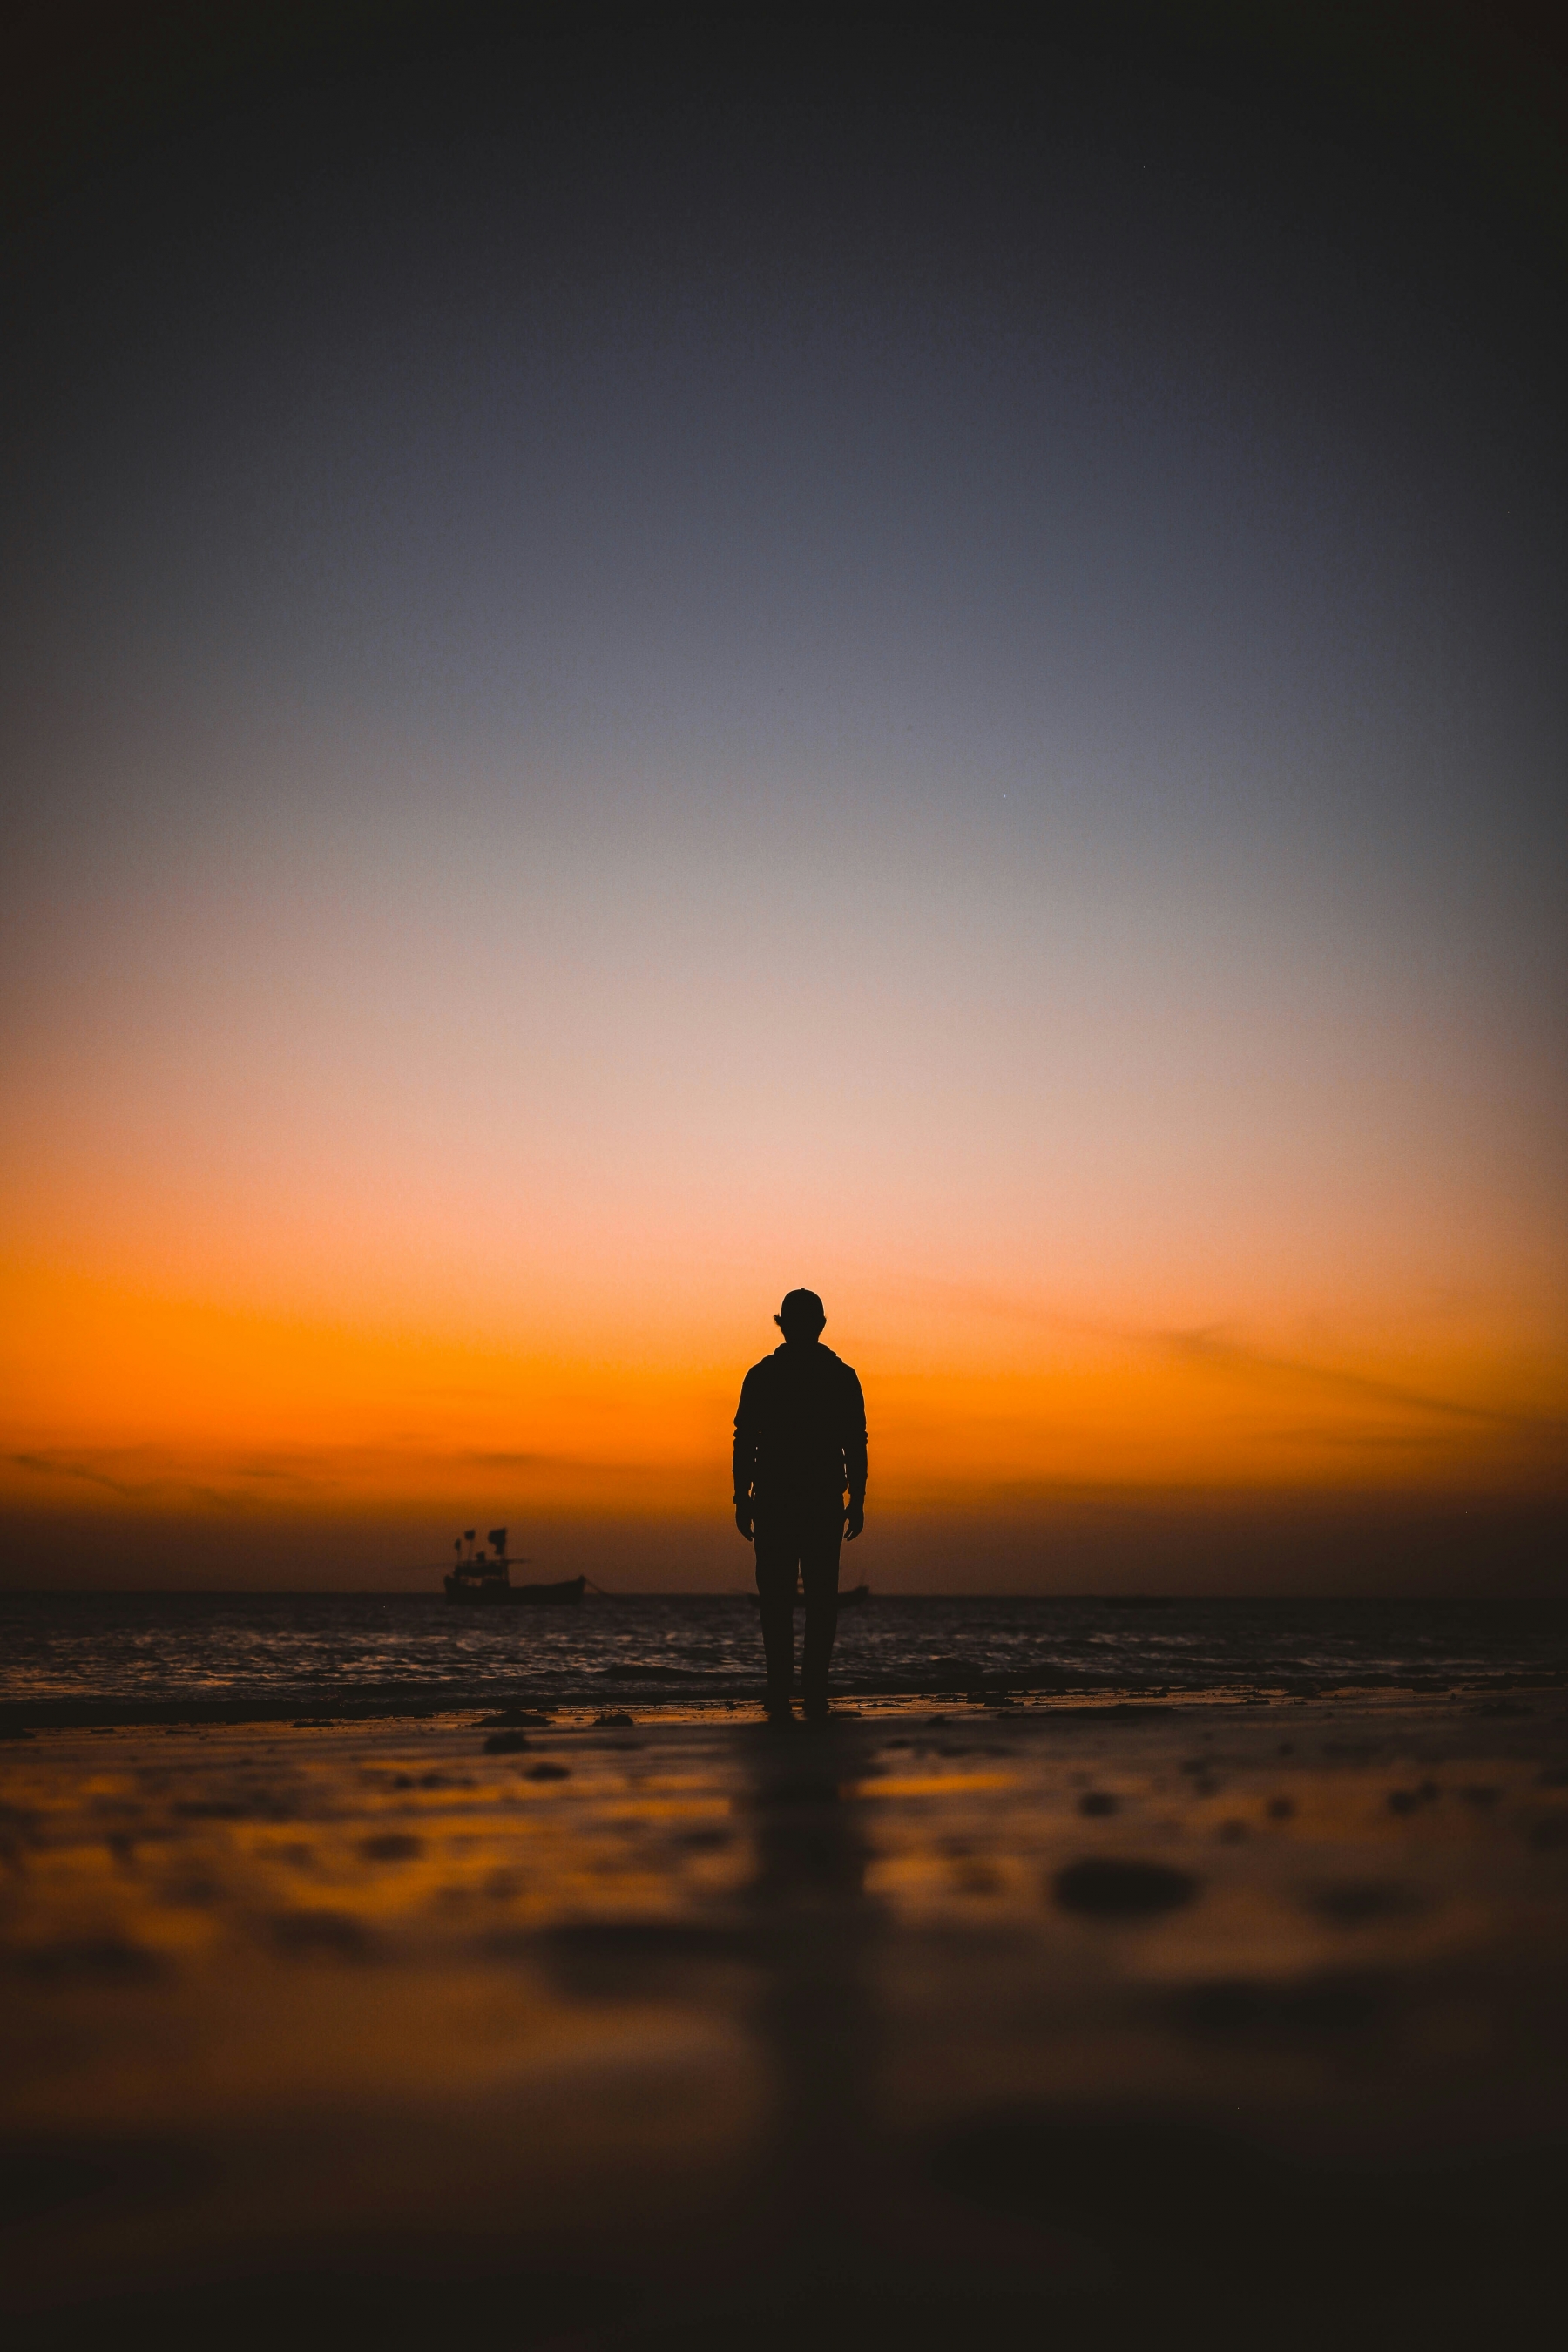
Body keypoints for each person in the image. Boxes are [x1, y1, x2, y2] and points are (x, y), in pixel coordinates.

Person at [733, 1288, 867, 1722]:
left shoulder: (763, 1375)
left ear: (785, 1326)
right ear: (820, 1325)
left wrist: (741, 1496)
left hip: (780, 1502)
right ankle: (810, 1691)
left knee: (778, 1601)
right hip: (815, 1502)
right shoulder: (841, 1376)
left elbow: (745, 1441)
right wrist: (858, 1497)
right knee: (818, 1601)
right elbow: (854, 1443)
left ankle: (783, 1690)